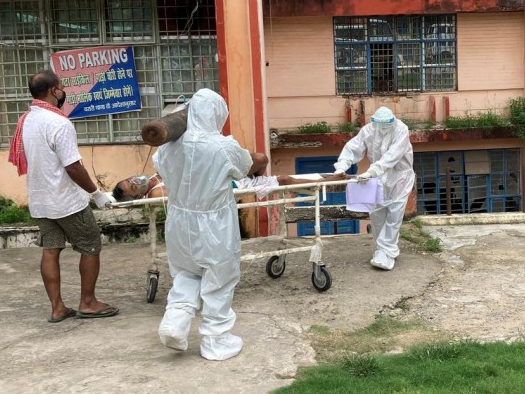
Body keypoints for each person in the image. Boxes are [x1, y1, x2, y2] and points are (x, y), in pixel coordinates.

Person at [8, 69, 119, 323]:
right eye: (61, 88)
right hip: (66, 201)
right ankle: (88, 303)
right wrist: (96, 193)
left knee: (51, 250)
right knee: (91, 245)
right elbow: (73, 167)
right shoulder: (59, 123)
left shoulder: (26, 120)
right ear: (52, 91)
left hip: (40, 200)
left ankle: (57, 308)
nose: (63, 92)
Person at [153, 88, 253, 361]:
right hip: (214, 224)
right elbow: (244, 167)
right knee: (219, 279)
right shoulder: (223, 146)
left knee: (186, 273)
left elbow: (158, 164)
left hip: (179, 220)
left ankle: (175, 323)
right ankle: (215, 340)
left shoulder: (169, 146)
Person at [333, 106, 415, 271]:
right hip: (378, 178)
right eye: (380, 125)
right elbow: (353, 147)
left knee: (394, 215)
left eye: (386, 125)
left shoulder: (401, 129)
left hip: (400, 178)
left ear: (392, 121)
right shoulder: (369, 130)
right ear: (375, 122)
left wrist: (371, 171)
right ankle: (381, 250)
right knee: (376, 214)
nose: (383, 128)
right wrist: (342, 166)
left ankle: (388, 251)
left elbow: (392, 156)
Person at [113, 153, 345, 202]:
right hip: (222, 184)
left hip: (222, 171)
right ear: (137, 195)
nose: (135, 181)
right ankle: (332, 181)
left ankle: (259, 177)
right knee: (284, 181)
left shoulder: (159, 170)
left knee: (261, 158)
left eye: (130, 179)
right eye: (133, 186)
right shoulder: (156, 192)